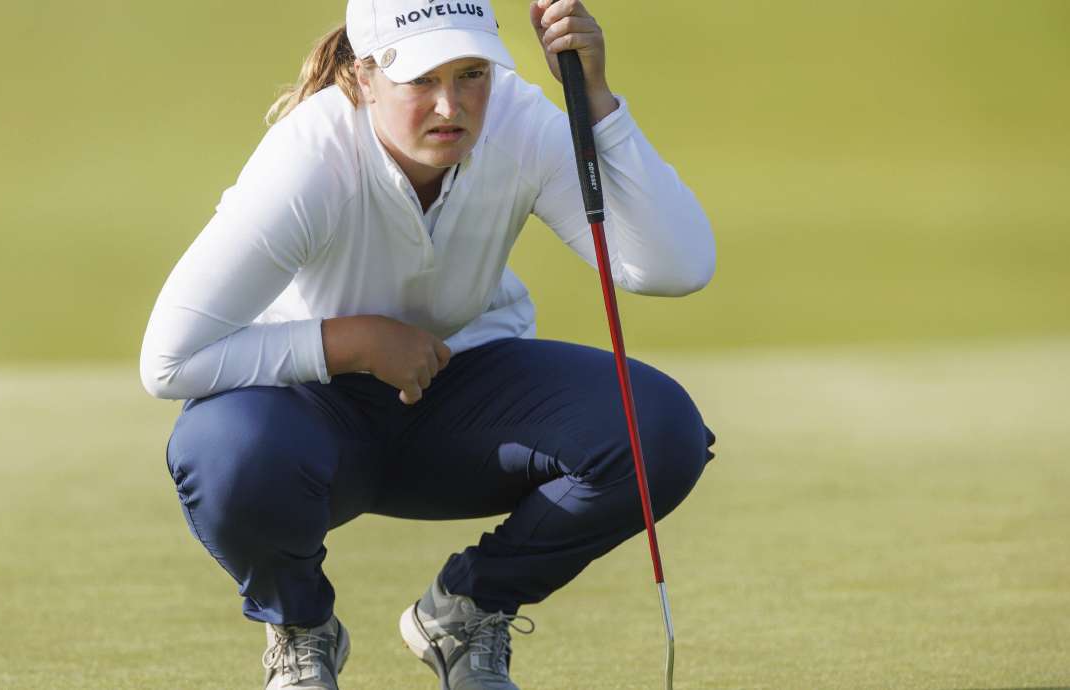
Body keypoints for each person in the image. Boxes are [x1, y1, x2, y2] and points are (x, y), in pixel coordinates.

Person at [139, 0, 717, 687]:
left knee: (659, 431)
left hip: (466, 407)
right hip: (305, 421)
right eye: (421, 80)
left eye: (472, 72)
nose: (452, 106)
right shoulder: (310, 157)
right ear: (365, 76)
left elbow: (673, 265)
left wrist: (596, 104)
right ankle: (300, 628)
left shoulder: (519, 122)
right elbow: (168, 360)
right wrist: (351, 342)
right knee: (225, 452)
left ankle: (467, 612)